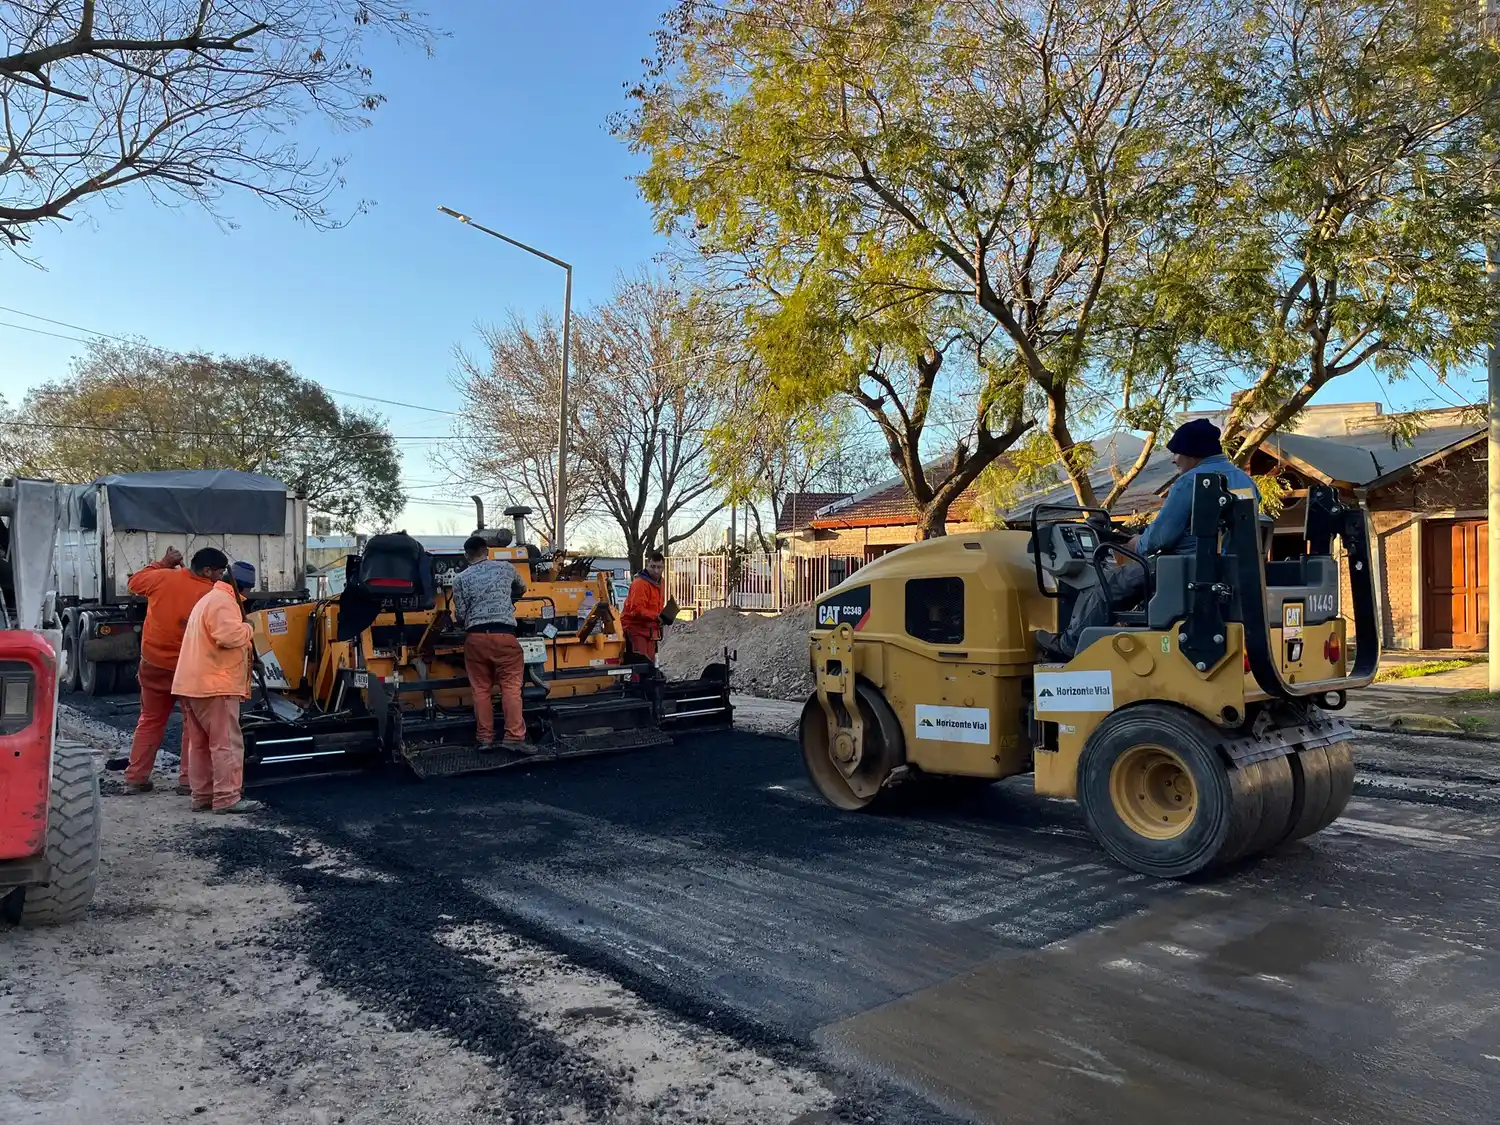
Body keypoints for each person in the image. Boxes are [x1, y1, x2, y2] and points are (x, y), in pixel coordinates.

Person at [1036, 418, 1260, 661]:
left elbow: (1158, 540)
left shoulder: (1190, 482)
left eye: (1176, 453)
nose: (1174, 460)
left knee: (1108, 585)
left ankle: (1069, 646)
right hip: (1227, 573)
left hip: (1184, 570)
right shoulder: (1245, 481)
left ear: (1192, 453)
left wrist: (1136, 543)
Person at [121, 546, 217, 795]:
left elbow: (134, 583)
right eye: (219, 571)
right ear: (207, 570)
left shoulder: (163, 577)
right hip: (188, 668)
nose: (221, 575)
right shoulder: (211, 593)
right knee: (192, 724)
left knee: (150, 721)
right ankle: (188, 781)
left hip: (153, 664)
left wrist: (163, 562)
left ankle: (135, 778)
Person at [171, 549, 260, 813]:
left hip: (193, 684)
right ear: (242, 587)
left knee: (199, 745)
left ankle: (202, 796)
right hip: (215, 684)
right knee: (227, 744)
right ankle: (227, 798)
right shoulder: (224, 602)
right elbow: (229, 636)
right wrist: (249, 628)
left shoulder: (209, 599)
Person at [450, 535, 529, 751]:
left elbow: (461, 614)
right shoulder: (505, 568)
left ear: (466, 556)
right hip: (505, 636)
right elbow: (521, 588)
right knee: (511, 688)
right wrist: (506, 599)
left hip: (476, 639)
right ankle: (514, 737)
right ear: (488, 551)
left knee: (481, 690)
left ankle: (485, 738)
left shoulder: (460, 579)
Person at [620, 550, 668, 661]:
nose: (656, 571)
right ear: (647, 565)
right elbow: (637, 610)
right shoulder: (640, 584)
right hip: (636, 629)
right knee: (640, 664)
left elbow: (658, 604)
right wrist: (657, 616)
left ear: (663, 568)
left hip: (650, 630)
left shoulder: (661, 582)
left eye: (659, 567)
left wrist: (664, 616)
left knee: (649, 664)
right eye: (653, 567)